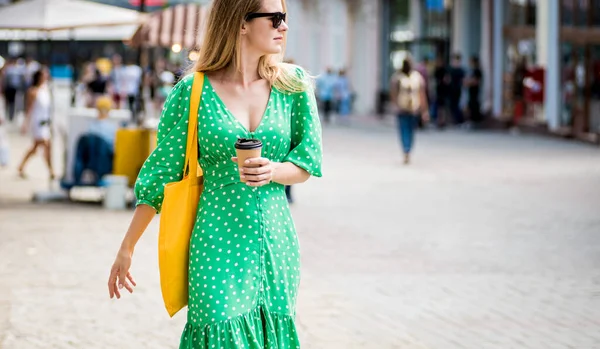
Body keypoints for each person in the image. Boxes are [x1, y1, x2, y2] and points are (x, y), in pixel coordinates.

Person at [107, 1, 323, 348]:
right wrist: (127, 247)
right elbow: (161, 173)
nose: (283, 26)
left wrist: (274, 170)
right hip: (216, 240)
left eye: (285, 18)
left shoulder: (293, 86)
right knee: (216, 332)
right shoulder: (194, 92)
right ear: (240, 23)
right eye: (275, 18)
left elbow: (307, 163)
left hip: (276, 242)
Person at [390, 57, 429, 165]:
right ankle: (407, 149)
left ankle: (406, 149)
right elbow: (422, 95)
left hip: (408, 108)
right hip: (410, 108)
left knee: (405, 130)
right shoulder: (414, 78)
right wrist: (424, 110)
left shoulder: (400, 77)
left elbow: (393, 94)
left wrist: (395, 105)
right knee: (409, 131)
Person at [17, 67, 55, 180]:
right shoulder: (33, 91)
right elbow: (29, 108)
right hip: (37, 121)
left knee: (36, 147)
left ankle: (21, 166)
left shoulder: (46, 89)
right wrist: (25, 123)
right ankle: (51, 170)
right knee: (46, 145)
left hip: (45, 121)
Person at [465, 55, 483, 126]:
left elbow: (476, 81)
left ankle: (475, 120)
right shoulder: (471, 70)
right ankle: (472, 120)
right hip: (471, 91)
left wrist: (469, 82)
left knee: (474, 104)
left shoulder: (477, 70)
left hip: (475, 91)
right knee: (470, 105)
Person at [448, 53, 465, 125]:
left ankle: (459, 120)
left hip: (457, 89)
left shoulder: (459, 70)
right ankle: (455, 120)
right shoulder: (452, 69)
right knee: (453, 105)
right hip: (452, 89)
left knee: (455, 105)